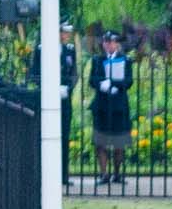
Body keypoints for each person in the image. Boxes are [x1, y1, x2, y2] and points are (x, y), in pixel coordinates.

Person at [32, 21, 80, 187]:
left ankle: (63, 175)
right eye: (64, 32)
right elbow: (35, 74)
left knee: (64, 135)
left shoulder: (70, 50)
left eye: (68, 32)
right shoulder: (41, 49)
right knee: (45, 135)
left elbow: (74, 73)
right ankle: (44, 175)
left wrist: (68, 88)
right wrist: (50, 88)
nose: (67, 35)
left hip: (64, 98)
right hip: (47, 99)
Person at [87, 29, 133, 187]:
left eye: (112, 42)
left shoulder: (125, 60)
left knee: (119, 141)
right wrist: (102, 84)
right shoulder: (97, 60)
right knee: (101, 141)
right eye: (106, 42)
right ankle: (103, 174)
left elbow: (128, 81)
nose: (109, 45)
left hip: (118, 105)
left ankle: (117, 174)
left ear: (117, 43)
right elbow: (92, 80)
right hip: (102, 105)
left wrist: (114, 84)